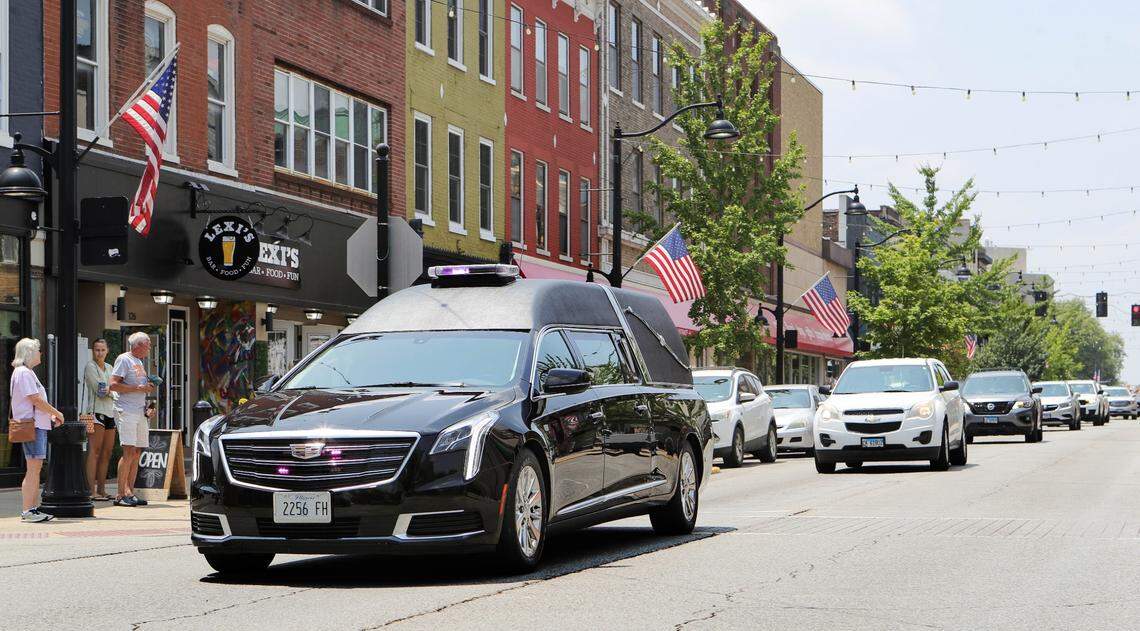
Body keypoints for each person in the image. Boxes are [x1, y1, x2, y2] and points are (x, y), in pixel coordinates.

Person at [10, 338, 65, 522]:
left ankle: (31, 509)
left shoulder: (25, 372)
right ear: (29, 353)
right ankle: (28, 510)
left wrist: (49, 416)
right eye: (38, 350)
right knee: (33, 468)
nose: (41, 354)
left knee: (34, 468)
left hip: (35, 424)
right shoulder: (24, 373)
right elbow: (35, 399)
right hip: (33, 426)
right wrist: (57, 412)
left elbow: (32, 401)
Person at [110, 332, 155, 507]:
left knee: (137, 452)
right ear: (138, 345)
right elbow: (113, 384)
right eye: (148, 344)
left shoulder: (139, 362)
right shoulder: (124, 359)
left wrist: (147, 407)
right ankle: (120, 495)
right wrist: (139, 388)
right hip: (125, 410)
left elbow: (140, 389)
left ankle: (130, 491)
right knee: (128, 451)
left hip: (138, 411)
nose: (150, 347)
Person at [83, 339, 116, 501]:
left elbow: (114, 389)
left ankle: (102, 490)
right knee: (94, 452)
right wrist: (112, 390)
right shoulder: (90, 367)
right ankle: (91, 491)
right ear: (93, 351)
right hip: (96, 412)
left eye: (102, 350)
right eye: (97, 350)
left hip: (111, 413)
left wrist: (110, 390)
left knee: (107, 453)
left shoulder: (110, 368)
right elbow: (100, 390)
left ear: (107, 351)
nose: (100, 353)